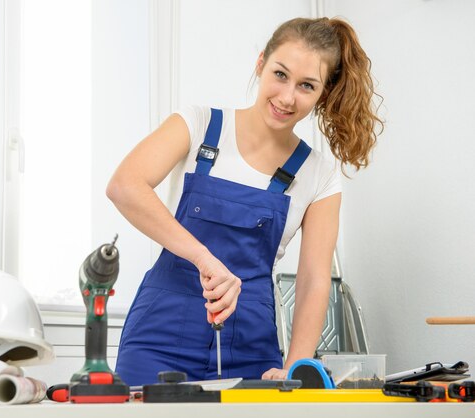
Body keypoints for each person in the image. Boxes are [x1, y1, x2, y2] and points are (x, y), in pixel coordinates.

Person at [106, 17, 382, 386]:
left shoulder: (319, 175)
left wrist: (296, 367)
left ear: (323, 94)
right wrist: (204, 258)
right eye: (280, 74)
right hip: (158, 337)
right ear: (260, 63)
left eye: (306, 86)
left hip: (251, 348)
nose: (287, 97)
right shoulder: (198, 124)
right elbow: (125, 185)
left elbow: (314, 279)